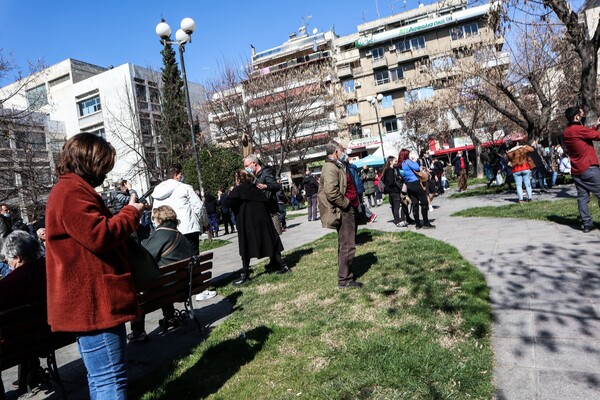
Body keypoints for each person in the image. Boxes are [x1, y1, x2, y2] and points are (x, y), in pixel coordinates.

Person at [45, 132, 144, 400]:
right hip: (93, 303)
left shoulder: (70, 189)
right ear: (88, 161)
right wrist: (131, 213)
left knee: (102, 379)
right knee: (111, 380)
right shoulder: (71, 191)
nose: (104, 174)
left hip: (90, 301)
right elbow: (99, 235)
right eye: (103, 166)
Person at [127, 205, 196, 342]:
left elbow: (144, 256)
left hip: (166, 288)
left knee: (138, 291)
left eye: (154, 218)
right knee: (165, 277)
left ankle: (138, 331)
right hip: (184, 285)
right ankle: (169, 317)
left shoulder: (161, 235)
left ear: (158, 219)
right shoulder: (178, 234)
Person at [0, 231, 46, 391]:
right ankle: (31, 376)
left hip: (17, 345)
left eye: (8, 259)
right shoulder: (50, 269)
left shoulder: (9, 284)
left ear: (18, 257)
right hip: (51, 335)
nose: (8, 263)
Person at [227, 169, 289, 286]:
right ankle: (283, 265)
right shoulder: (256, 188)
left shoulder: (238, 190)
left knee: (246, 246)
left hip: (247, 223)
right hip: (262, 221)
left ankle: (245, 274)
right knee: (270, 241)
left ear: (239, 179)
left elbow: (228, 204)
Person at [318, 141, 362, 289]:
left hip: (348, 208)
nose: (344, 153)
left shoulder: (336, 165)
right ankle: (344, 279)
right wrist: (346, 204)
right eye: (342, 150)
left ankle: (346, 273)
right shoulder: (330, 167)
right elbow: (331, 192)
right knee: (347, 245)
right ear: (336, 152)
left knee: (346, 243)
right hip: (343, 210)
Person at [563, 107, 600, 232]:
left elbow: (587, 136)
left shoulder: (567, 131)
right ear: (576, 117)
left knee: (582, 198)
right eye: (581, 113)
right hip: (589, 168)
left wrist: (595, 126)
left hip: (577, 170)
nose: (583, 114)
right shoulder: (579, 129)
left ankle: (587, 224)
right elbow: (597, 136)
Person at [152, 164, 204, 253]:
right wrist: (204, 223)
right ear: (176, 175)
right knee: (193, 259)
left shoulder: (157, 193)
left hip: (169, 234)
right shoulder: (185, 188)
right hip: (188, 230)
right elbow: (199, 207)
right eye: (181, 174)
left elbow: (154, 216)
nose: (182, 176)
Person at [243, 155, 282, 233]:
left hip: (271, 211)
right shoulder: (254, 176)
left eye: (247, 166)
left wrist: (266, 186)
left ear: (254, 163)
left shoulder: (266, 172)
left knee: (275, 238)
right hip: (262, 211)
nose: (246, 168)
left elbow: (276, 186)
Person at [400, 149, 436, 229]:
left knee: (415, 204)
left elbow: (404, 175)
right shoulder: (408, 161)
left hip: (409, 185)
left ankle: (417, 224)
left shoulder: (402, 163)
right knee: (424, 202)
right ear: (406, 154)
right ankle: (426, 223)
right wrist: (414, 160)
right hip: (415, 183)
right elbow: (416, 168)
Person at [382, 156, 406, 227]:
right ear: (391, 162)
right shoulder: (390, 170)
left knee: (395, 205)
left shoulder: (390, 169)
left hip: (392, 190)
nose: (396, 162)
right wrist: (397, 182)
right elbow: (390, 182)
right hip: (394, 190)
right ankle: (398, 221)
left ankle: (398, 220)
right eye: (395, 161)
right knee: (397, 206)